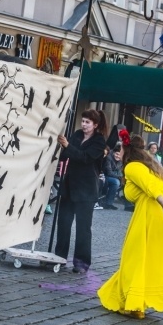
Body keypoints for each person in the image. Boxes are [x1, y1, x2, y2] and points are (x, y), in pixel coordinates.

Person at [98, 134, 163, 319]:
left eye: (120, 149)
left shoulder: (132, 167)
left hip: (156, 212)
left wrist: (162, 202)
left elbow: (151, 186)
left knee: (135, 257)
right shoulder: (148, 166)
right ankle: (128, 299)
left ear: (127, 151)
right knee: (144, 259)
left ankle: (134, 304)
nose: (118, 152)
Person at [54, 109, 108, 273]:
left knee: (83, 228)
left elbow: (85, 158)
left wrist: (67, 146)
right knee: (63, 224)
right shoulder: (77, 135)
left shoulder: (99, 142)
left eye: (87, 122)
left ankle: (81, 262)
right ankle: (59, 258)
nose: (84, 125)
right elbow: (66, 155)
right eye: (83, 121)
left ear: (95, 125)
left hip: (87, 189)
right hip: (70, 186)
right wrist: (61, 148)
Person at [99, 144, 123, 210]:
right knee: (116, 182)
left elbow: (121, 170)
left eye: (120, 155)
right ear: (113, 152)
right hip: (105, 175)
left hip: (115, 176)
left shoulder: (121, 159)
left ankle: (128, 205)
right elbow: (109, 172)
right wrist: (120, 178)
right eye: (116, 154)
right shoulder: (109, 158)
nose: (118, 156)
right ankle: (108, 203)